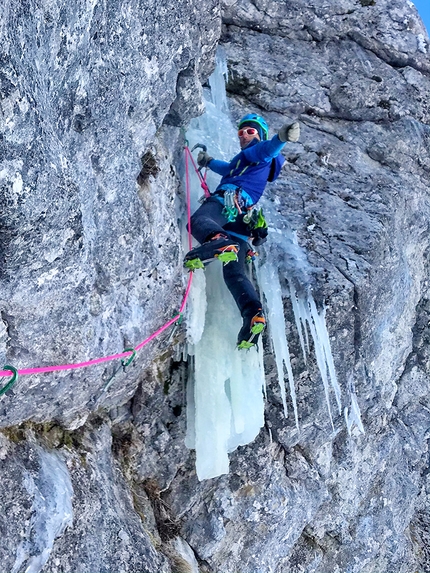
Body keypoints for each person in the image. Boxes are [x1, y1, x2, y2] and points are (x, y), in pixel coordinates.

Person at [184, 113, 300, 349]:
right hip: (242, 221)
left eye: (250, 131)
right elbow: (227, 167)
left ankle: (217, 241)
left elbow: (268, 149)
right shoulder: (245, 161)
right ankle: (253, 315)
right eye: (241, 132)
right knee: (235, 274)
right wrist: (208, 162)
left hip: (230, 201)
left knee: (199, 220)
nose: (244, 136)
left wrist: (281, 137)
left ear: (260, 135)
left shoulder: (258, 152)